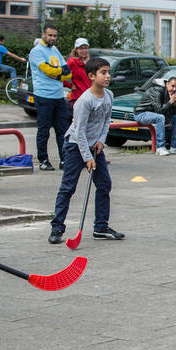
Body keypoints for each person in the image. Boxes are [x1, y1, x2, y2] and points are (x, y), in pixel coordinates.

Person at [48, 58, 123, 244]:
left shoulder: (109, 95)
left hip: (94, 147)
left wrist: (101, 141)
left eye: (108, 72)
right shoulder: (84, 100)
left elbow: (106, 121)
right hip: (75, 146)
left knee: (104, 185)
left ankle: (101, 227)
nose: (107, 76)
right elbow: (79, 131)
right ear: (91, 76)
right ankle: (57, 228)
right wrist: (87, 157)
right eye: (102, 73)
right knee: (68, 187)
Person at [29, 25, 73, 171]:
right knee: (44, 130)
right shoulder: (37, 51)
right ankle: (43, 160)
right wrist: (58, 73)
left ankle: (64, 159)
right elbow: (46, 70)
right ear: (44, 35)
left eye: (55, 35)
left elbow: (68, 73)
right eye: (50, 35)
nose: (53, 38)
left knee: (63, 129)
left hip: (58, 96)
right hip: (43, 96)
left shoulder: (55, 50)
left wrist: (56, 73)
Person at [134, 76, 176, 156]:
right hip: (141, 113)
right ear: (167, 84)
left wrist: (174, 104)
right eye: (173, 86)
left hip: (153, 114)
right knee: (160, 117)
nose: (174, 89)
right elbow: (159, 110)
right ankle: (160, 147)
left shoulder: (169, 93)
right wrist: (170, 102)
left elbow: (174, 113)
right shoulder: (157, 91)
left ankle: (175, 147)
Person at [66, 38, 92, 105]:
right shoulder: (72, 61)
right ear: (76, 49)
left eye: (86, 48)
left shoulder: (90, 62)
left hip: (89, 98)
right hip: (77, 98)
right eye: (81, 48)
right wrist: (70, 85)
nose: (84, 50)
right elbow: (61, 75)